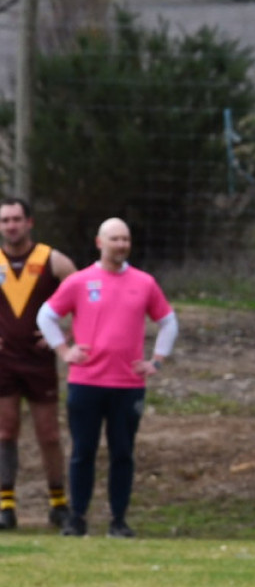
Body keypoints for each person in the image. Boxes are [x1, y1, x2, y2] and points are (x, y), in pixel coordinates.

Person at [36, 218, 176, 538]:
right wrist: (64, 351)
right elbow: (46, 315)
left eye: (125, 239)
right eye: (115, 239)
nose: (121, 245)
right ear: (100, 243)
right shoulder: (80, 281)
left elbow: (168, 322)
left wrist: (156, 360)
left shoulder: (145, 283)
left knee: (123, 453)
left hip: (127, 386)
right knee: (83, 451)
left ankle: (119, 520)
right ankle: (78, 517)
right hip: (86, 382)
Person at [0, 197, 75, 530]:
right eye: (5, 221)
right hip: (4, 362)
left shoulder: (52, 260)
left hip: (40, 361)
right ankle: (5, 505)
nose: (10, 226)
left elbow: (84, 297)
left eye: (16, 219)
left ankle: (58, 502)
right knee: (5, 431)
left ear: (29, 222)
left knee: (49, 434)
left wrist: (65, 335)